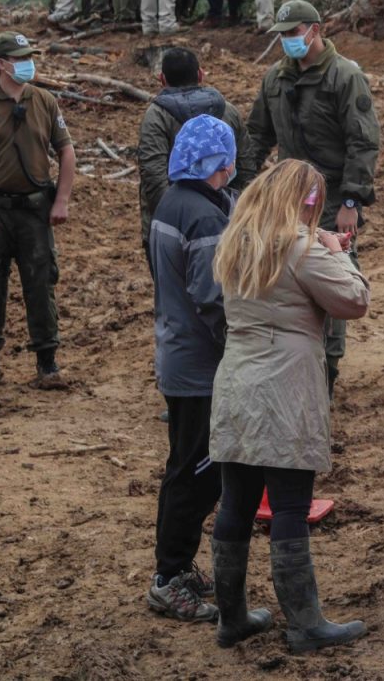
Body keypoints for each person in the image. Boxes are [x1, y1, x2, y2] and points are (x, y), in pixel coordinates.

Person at [209, 159, 370, 652]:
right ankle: (305, 623)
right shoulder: (302, 247)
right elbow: (354, 300)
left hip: (237, 380)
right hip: (286, 386)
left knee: (235, 501)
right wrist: (336, 252)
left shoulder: (236, 242)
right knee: (291, 505)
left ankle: (232, 618)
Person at [243, 0, 381, 402]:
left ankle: (328, 370)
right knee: (281, 275)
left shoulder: (345, 76)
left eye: (293, 33)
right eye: (283, 35)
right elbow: (257, 135)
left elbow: (363, 140)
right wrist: (248, 189)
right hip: (287, 196)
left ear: (315, 30)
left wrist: (352, 201)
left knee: (334, 276)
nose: (288, 41)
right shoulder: (275, 79)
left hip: (334, 193)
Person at [146, 114, 237, 622]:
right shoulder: (202, 218)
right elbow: (212, 299)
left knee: (185, 466)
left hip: (176, 354)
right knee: (196, 474)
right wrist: (239, 349)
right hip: (199, 365)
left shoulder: (173, 202)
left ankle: (175, 568)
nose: (230, 170)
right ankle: (168, 576)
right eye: (225, 162)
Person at [0, 32, 76, 390]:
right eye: (20, 57)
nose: (27, 63)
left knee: (41, 285)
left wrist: (61, 200)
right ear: (0, 64)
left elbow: (66, 151)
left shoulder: (44, 100)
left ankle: (47, 361)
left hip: (35, 210)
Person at [138, 47, 248, 276]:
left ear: (162, 79)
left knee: (174, 296)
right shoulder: (228, 111)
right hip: (228, 221)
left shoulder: (156, 115)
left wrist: (172, 221)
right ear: (200, 75)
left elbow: (154, 176)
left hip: (171, 226)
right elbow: (247, 166)